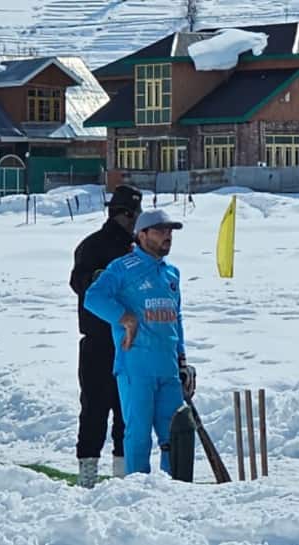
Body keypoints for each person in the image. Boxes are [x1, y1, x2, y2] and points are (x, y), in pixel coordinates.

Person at [84, 208, 196, 476]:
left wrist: (182, 360)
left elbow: (175, 318)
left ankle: (177, 489)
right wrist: (125, 318)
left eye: (170, 231)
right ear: (142, 234)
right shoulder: (123, 268)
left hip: (167, 367)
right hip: (136, 365)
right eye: (161, 230)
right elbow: (93, 297)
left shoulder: (171, 274)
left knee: (175, 434)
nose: (167, 236)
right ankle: (137, 493)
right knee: (138, 434)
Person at [69, 184, 142, 488]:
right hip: (99, 340)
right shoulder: (94, 246)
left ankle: (121, 477)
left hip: (128, 341)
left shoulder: (136, 249)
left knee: (126, 411)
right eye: (135, 214)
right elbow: (79, 282)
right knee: (95, 409)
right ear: (125, 215)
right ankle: (88, 475)